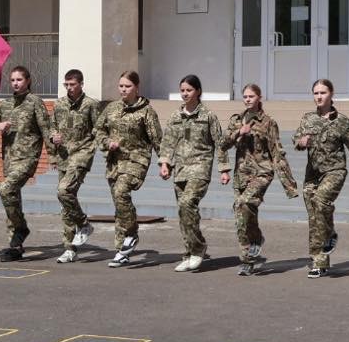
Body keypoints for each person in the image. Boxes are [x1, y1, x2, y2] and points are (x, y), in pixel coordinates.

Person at [293, 79, 349, 278]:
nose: (319, 97)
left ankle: (329, 235)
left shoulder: (342, 121)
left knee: (321, 201)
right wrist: (301, 142)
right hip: (312, 174)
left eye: (323, 93)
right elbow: (296, 140)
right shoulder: (307, 118)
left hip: (335, 170)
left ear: (331, 94)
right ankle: (319, 262)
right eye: (316, 93)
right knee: (314, 216)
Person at [219, 83, 299, 275]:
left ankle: (249, 253)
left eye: (251, 96)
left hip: (262, 172)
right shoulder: (236, 120)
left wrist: (289, 184)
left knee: (242, 204)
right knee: (244, 215)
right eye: (245, 96)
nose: (248, 99)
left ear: (259, 98)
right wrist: (238, 133)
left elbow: (277, 152)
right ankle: (251, 251)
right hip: (241, 175)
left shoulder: (269, 123)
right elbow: (222, 144)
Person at [94, 70, 162, 268]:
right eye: (121, 86)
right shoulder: (112, 108)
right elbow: (98, 130)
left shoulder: (146, 111)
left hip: (136, 160)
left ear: (136, 88)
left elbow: (157, 139)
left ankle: (131, 234)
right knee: (119, 204)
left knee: (121, 191)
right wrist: (107, 142)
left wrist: (165, 162)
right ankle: (121, 251)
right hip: (115, 161)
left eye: (128, 86)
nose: (123, 89)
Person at [159, 74, 225, 272]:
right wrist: (165, 164)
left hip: (200, 167)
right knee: (184, 211)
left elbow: (219, 144)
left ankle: (198, 248)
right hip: (180, 169)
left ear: (198, 91)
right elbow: (167, 143)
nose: (185, 94)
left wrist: (224, 169)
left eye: (189, 90)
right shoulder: (175, 116)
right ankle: (189, 253)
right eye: (182, 90)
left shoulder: (208, 116)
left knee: (187, 203)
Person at [0, 65, 53, 261]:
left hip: (27, 159)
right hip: (9, 160)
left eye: (19, 80)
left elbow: (46, 129)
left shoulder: (35, 102)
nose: (15, 83)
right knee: (13, 198)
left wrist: (53, 155)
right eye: (12, 80)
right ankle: (15, 246)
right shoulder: (5, 104)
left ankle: (21, 228)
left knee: (5, 189)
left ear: (28, 81)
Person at [51, 68, 100, 263]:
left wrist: (93, 149)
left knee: (63, 191)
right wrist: (53, 138)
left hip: (81, 155)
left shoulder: (91, 105)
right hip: (64, 156)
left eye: (73, 84)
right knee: (66, 202)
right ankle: (69, 248)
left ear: (81, 84)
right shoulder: (59, 104)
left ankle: (84, 224)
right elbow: (52, 126)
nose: (69, 88)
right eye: (66, 84)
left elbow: (98, 130)